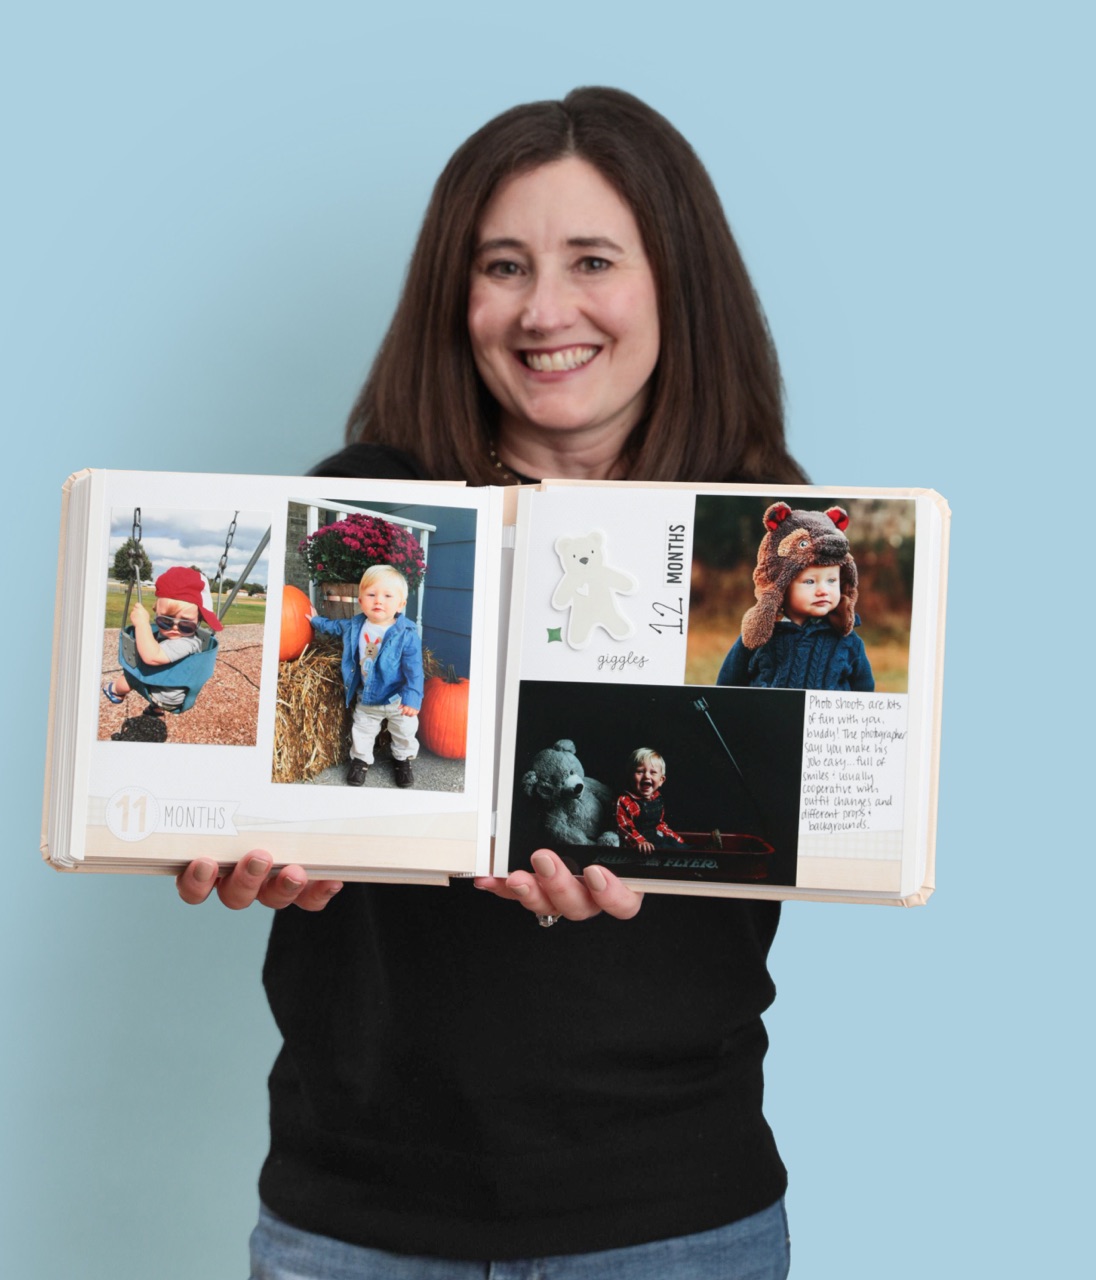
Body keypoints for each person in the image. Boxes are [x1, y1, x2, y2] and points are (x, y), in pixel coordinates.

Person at [179, 87, 807, 1278]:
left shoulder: (756, 540)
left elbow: (769, 824)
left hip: (669, 1209)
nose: (543, 310)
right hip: (360, 1213)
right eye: (503, 265)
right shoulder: (359, 508)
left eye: (590, 262)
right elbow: (293, 770)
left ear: (674, 281)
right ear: (453, 297)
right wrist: (232, 832)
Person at [716, 501, 876, 691]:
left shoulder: (848, 642)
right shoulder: (759, 637)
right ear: (782, 586)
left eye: (832, 581)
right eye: (810, 582)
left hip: (822, 719)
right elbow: (727, 685)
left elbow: (865, 694)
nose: (823, 590)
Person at [307, 564, 424, 788]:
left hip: (397, 699)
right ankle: (360, 761)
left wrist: (413, 697)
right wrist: (315, 621)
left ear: (401, 604)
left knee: (404, 731)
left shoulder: (406, 634)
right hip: (367, 696)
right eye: (371, 595)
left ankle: (403, 760)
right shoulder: (356, 625)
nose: (378, 601)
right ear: (361, 601)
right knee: (362, 730)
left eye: (387, 596)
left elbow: (414, 669)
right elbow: (335, 627)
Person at [103, 566, 222, 710]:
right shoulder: (182, 635)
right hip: (168, 687)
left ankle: (115, 691)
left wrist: (142, 624)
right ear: (155, 612)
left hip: (166, 697)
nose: (174, 628)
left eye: (186, 624)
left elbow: (152, 657)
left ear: (199, 621)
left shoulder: (187, 643)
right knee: (164, 672)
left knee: (129, 676)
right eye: (165, 621)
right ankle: (156, 710)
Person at [614, 747, 687, 853]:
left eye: (653, 772)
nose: (646, 776)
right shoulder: (625, 801)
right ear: (630, 776)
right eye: (640, 771)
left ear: (661, 780)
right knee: (666, 850)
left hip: (654, 838)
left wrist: (677, 839)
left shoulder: (657, 798)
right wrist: (640, 842)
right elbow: (624, 827)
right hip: (638, 845)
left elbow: (659, 824)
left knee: (677, 845)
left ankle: (704, 850)